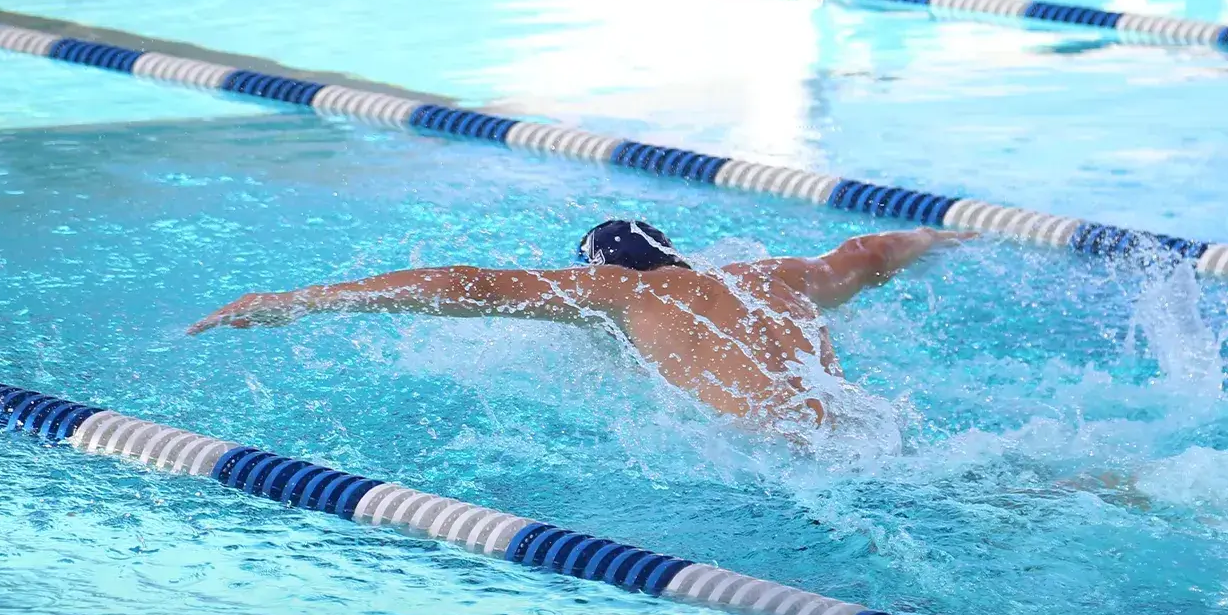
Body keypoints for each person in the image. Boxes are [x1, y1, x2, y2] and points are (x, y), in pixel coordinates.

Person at [187, 220, 974, 432]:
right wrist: (944, 237)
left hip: (785, 453)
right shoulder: (772, 276)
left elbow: (470, 286)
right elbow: (869, 253)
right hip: (871, 429)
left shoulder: (623, 293)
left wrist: (299, 299)